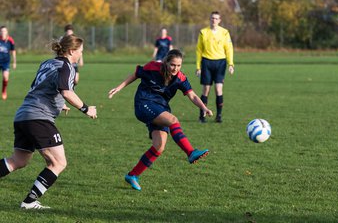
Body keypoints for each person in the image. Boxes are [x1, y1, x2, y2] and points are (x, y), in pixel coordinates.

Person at [0, 34, 97, 209]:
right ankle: (29, 202)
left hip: (23, 115)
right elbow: (66, 91)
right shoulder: (67, 67)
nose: (82, 54)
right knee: (58, 163)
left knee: (18, 160)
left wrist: (59, 106)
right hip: (38, 118)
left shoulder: (47, 63)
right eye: (81, 51)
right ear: (71, 51)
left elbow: (40, 88)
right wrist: (86, 108)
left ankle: (29, 202)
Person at [108, 49, 212, 191]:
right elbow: (136, 74)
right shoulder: (153, 67)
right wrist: (119, 88)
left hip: (161, 108)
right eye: (172, 65)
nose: (175, 68)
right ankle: (190, 152)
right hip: (143, 103)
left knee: (159, 146)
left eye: (179, 65)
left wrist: (203, 108)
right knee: (173, 120)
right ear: (166, 62)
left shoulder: (180, 78)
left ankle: (132, 175)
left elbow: (192, 95)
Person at [196, 11, 235, 123]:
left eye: (216, 18)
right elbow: (199, 50)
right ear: (210, 19)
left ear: (220, 20)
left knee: (218, 89)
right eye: (212, 18)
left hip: (220, 63)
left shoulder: (225, 32)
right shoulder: (203, 32)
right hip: (206, 62)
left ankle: (219, 116)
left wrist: (230, 64)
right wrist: (198, 67)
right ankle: (202, 116)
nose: (214, 20)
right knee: (206, 90)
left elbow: (229, 48)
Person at [0, 26, 16, 100]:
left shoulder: (10, 40)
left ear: (7, 32)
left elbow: (13, 51)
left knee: (5, 77)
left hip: (5, 62)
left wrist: (14, 62)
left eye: (4, 31)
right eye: (2, 31)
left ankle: (4, 91)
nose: (3, 32)